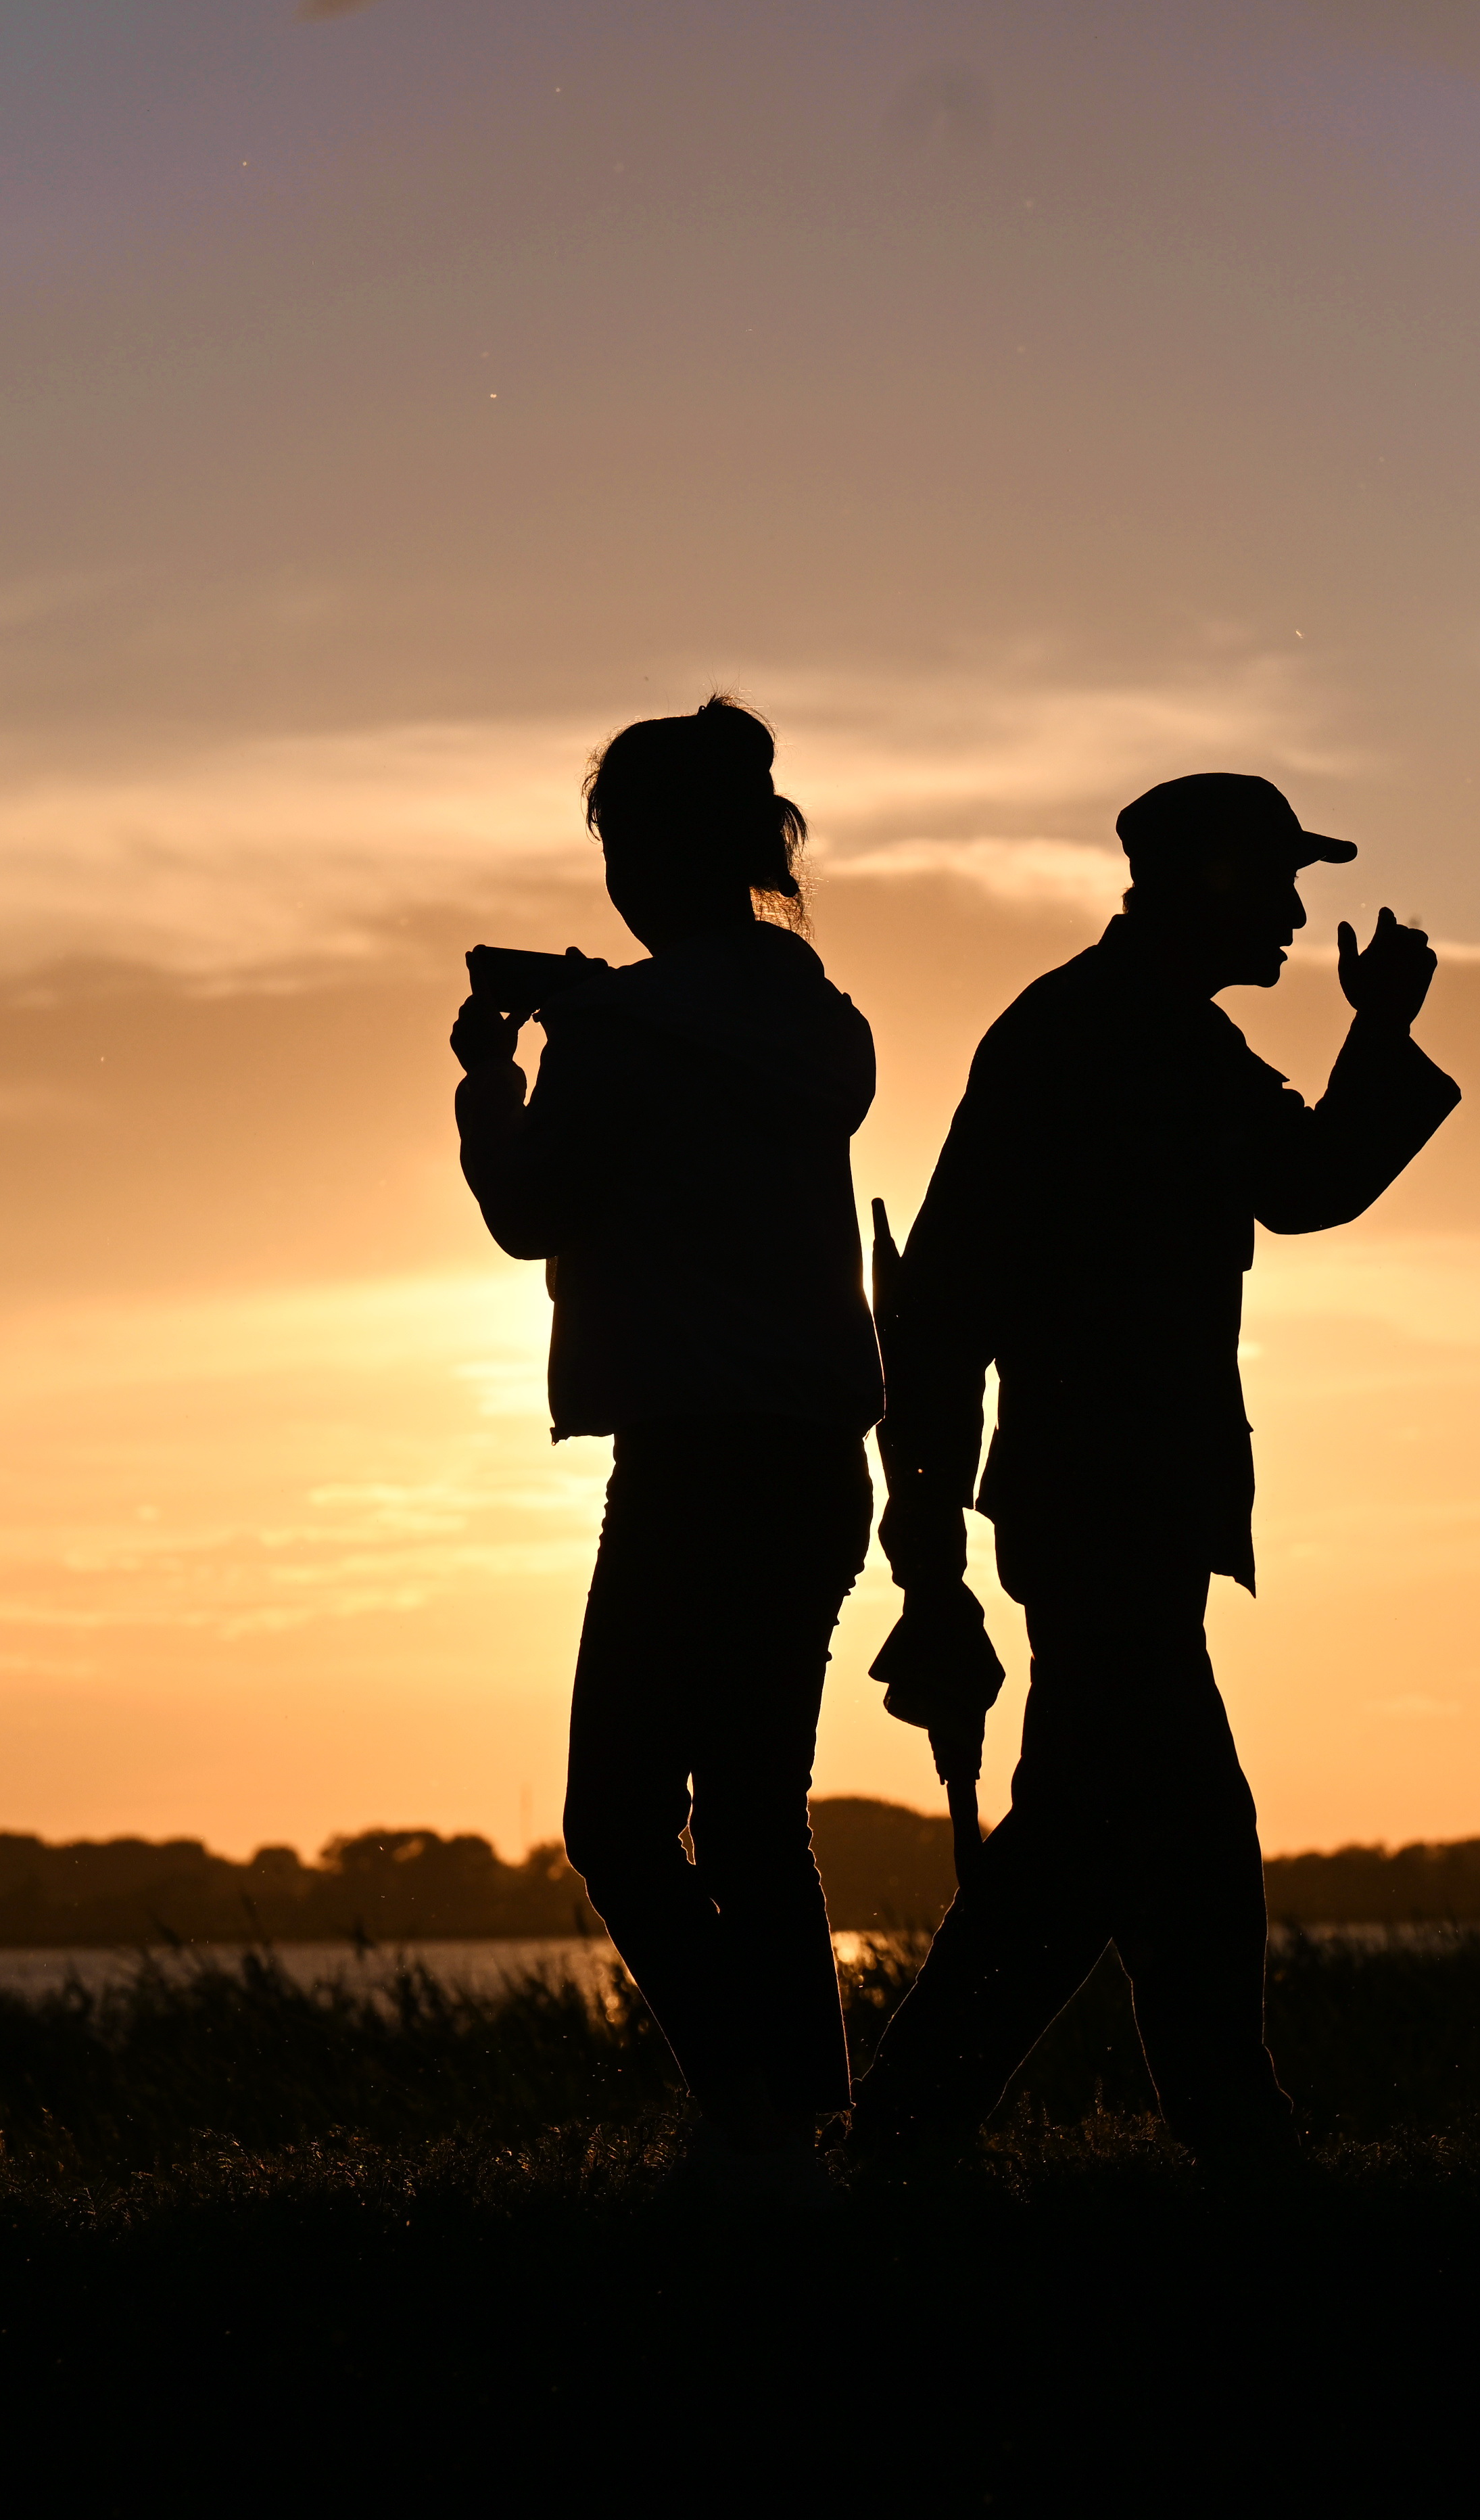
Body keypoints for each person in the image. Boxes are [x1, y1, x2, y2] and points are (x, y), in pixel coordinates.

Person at [853, 772, 1456, 2170]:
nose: (1305, 913)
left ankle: (922, 2130)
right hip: (1098, 1516)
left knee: (1086, 1851)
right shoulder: (1091, 1040)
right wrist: (928, 1561)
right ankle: (1225, 2134)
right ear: (1220, 887)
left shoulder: (1154, 1039)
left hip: (1118, 1514)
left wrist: (1378, 1033)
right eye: (1284, 882)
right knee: (1178, 1845)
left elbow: (1300, 1185)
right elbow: (940, 1315)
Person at [451, 697, 884, 2200]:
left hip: (698, 1460)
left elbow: (531, 1216)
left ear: (654, 854)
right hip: (821, 1458)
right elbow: (827, 1079)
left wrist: (489, 1089)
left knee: (619, 1824)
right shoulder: (803, 1009)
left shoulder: (624, 1032)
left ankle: (758, 2124)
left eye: (624, 844)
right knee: (757, 1810)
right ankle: (803, 2128)